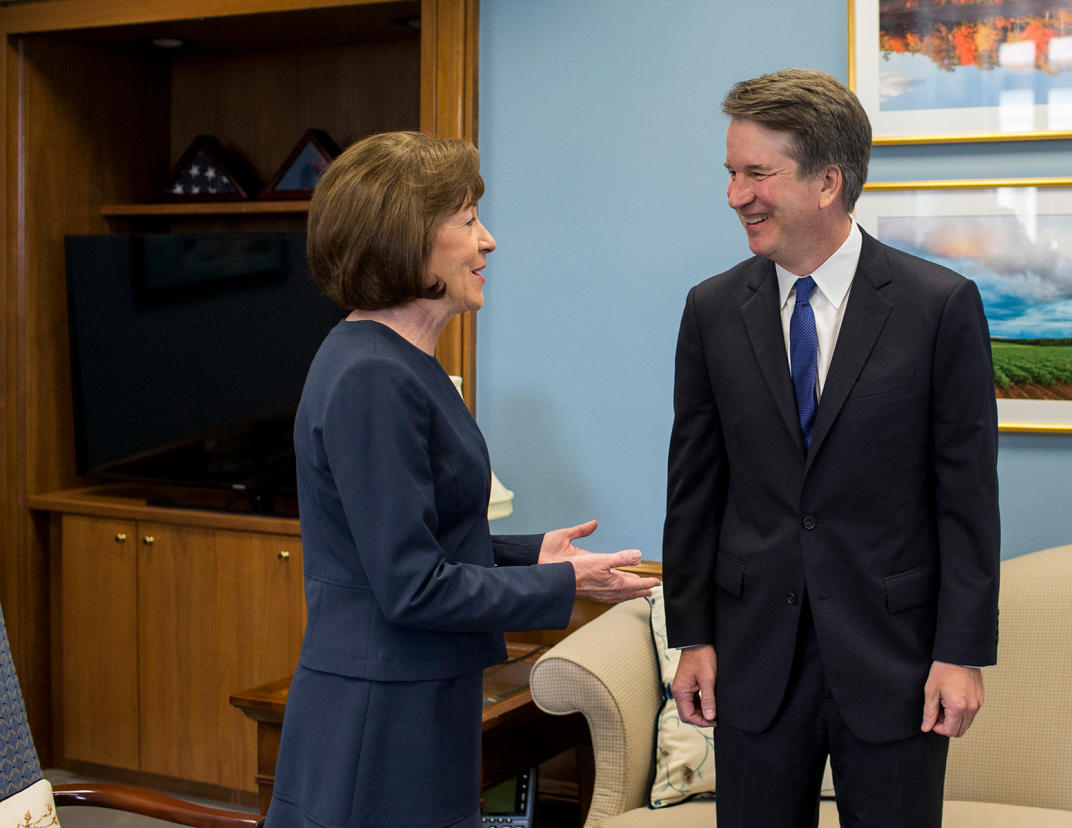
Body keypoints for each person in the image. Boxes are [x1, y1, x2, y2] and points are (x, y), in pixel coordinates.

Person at [265, 131, 659, 828]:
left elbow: (417, 535)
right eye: (470, 219)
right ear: (408, 239)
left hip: (414, 692)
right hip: (380, 712)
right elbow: (411, 585)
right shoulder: (372, 377)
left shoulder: (393, 361)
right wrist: (569, 584)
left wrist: (532, 552)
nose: (490, 242)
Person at [663, 69, 1000, 827]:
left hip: (896, 664)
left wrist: (961, 653)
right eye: (730, 173)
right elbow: (694, 487)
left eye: (756, 174)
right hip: (753, 662)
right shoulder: (711, 310)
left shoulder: (939, 307)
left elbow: (967, 498)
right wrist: (692, 637)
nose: (735, 195)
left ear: (827, 182)